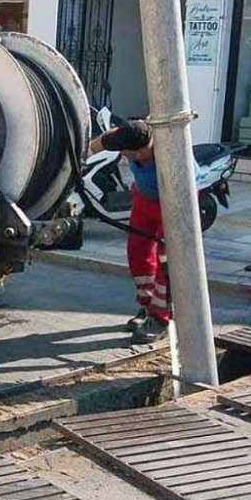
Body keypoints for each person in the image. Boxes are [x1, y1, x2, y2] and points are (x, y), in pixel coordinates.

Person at [88, 119, 170, 344]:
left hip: (173, 202)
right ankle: (147, 305)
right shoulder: (123, 136)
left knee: (167, 264)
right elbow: (94, 147)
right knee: (138, 253)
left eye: (130, 154)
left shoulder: (169, 153)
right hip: (144, 197)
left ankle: (161, 319)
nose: (126, 157)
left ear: (145, 149)